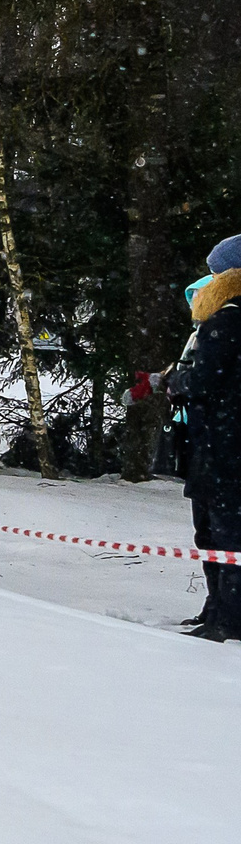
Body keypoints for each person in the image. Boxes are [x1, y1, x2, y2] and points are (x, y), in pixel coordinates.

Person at [175, 233, 241, 639]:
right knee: (217, 530)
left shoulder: (228, 319)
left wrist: (177, 382)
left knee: (221, 532)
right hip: (223, 442)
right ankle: (217, 606)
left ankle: (227, 617)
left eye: (216, 272)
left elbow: (205, 380)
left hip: (223, 446)